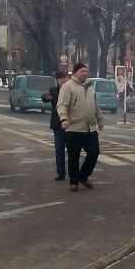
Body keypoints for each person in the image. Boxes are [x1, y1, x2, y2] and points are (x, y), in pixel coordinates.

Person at [58, 61, 101, 191]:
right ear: (75, 72)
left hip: (90, 128)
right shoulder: (68, 87)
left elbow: (95, 106)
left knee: (94, 152)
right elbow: (62, 105)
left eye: (86, 71)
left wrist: (100, 120)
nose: (85, 73)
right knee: (73, 156)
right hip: (74, 128)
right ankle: (74, 181)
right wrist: (63, 119)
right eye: (82, 71)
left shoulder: (89, 87)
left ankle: (83, 176)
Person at [42, 70, 69, 181]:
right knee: (59, 149)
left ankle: (73, 172)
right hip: (58, 125)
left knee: (72, 150)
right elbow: (44, 97)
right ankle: (60, 173)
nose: (63, 80)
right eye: (60, 78)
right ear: (57, 80)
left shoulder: (71, 90)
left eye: (64, 78)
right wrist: (46, 97)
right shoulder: (53, 91)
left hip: (70, 125)